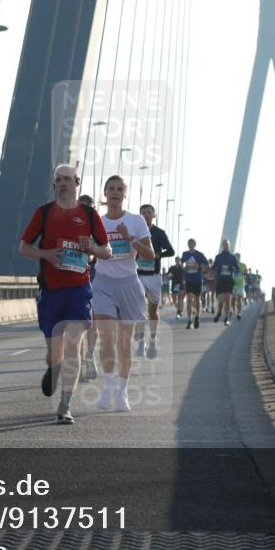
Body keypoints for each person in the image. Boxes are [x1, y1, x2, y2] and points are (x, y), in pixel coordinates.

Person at [19, 166, 111, 425]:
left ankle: (65, 405)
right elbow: (23, 247)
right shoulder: (44, 213)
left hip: (79, 290)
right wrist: (47, 254)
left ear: (77, 182)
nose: (62, 184)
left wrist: (92, 247)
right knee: (54, 353)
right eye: (58, 180)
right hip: (50, 291)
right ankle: (52, 367)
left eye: (67, 179)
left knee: (74, 344)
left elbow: (107, 251)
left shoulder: (89, 214)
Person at [92, 175, 154, 411]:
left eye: (120, 189)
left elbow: (150, 254)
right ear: (105, 193)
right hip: (104, 283)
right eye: (111, 189)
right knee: (107, 337)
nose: (115, 193)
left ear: (124, 194)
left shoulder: (136, 221)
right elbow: (91, 251)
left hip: (129, 283)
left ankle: (122, 391)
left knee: (124, 345)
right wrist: (92, 248)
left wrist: (130, 239)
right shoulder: (97, 221)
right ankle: (108, 386)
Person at [133, 203, 174, 359]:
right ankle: (141, 343)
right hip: (138, 275)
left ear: (153, 215)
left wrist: (158, 255)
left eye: (148, 212)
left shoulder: (159, 233)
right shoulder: (134, 232)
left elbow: (171, 251)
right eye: (143, 212)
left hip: (154, 276)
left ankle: (152, 339)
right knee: (139, 310)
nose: (146, 215)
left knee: (152, 311)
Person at [78, 194, 100, 382]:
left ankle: (89, 357)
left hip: (94, 280)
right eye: (83, 205)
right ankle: (80, 362)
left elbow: (107, 251)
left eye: (90, 206)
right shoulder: (67, 224)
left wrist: (92, 252)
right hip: (72, 281)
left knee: (91, 324)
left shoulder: (99, 227)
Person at [180, 239, 208, 330]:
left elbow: (207, 265)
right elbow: (181, 264)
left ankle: (197, 317)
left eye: (192, 243)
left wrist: (199, 266)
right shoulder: (185, 254)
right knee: (189, 298)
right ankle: (189, 320)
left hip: (198, 279)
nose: (191, 244)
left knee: (197, 299)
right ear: (188, 244)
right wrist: (183, 267)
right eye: (189, 243)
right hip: (189, 280)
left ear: (195, 244)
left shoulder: (199, 255)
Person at [212, 239, 239, 326]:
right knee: (221, 301)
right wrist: (217, 269)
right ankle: (219, 311)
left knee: (228, 299)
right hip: (221, 280)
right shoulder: (218, 257)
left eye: (227, 245)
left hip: (229, 280)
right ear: (222, 246)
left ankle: (226, 318)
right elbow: (214, 267)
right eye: (224, 244)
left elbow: (237, 269)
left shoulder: (233, 257)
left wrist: (234, 269)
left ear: (229, 246)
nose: (226, 246)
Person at [232, 252, 247, 319]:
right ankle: (234, 310)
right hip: (232, 284)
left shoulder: (243, 265)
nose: (235, 258)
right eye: (234, 257)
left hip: (240, 284)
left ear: (239, 257)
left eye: (236, 257)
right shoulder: (232, 265)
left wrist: (244, 272)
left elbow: (245, 273)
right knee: (232, 299)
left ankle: (239, 313)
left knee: (239, 299)